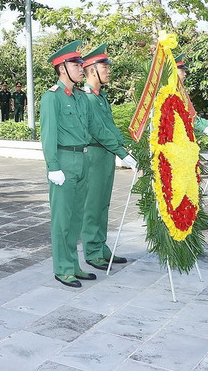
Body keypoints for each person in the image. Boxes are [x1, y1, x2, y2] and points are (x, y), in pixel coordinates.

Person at [41, 41, 137, 288]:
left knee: (75, 219)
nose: (81, 67)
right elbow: (48, 134)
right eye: (75, 64)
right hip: (64, 161)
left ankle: (74, 266)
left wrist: (123, 153)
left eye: (81, 63)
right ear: (62, 68)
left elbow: (97, 128)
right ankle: (62, 268)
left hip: (83, 159)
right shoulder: (51, 98)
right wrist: (53, 166)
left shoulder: (81, 98)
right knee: (62, 219)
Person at [79, 44, 136, 270]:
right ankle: (92, 252)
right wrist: (124, 154)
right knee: (92, 205)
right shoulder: (87, 98)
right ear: (92, 70)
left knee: (103, 204)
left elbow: (110, 128)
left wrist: (127, 146)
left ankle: (101, 247)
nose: (108, 71)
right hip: (93, 156)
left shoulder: (100, 98)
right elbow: (99, 132)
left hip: (105, 156)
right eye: (105, 67)